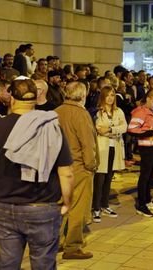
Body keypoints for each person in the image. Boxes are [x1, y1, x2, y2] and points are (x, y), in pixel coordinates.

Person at [0, 78, 74, 269]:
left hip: (3, 205)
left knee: (7, 263)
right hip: (42, 205)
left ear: (12, 99)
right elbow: (66, 172)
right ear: (35, 99)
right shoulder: (50, 126)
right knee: (43, 263)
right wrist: (67, 202)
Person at [55, 81, 98, 260]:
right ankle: (72, 246)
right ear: (82, 95)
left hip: (58, 168)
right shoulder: (81, 114)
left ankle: (54, 241)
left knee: (59, 206)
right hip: (78, 167)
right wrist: (91, 166)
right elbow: (87, 144)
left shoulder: (55, 112)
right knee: (78, 208)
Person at [92, 86, 127, 223]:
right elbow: (99, 130)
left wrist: (111, 129)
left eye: (112, 95)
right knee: (99, 179)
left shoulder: (119, 111)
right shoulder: (98, 112)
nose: (111, 98)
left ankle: (105, 205)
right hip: (102, 148)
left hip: (115, 147)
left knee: (109, 178)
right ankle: (96, 208)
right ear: (103, 97)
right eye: (108, 95)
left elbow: (124, 127)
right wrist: (112, 130)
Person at [128, 90, 153, 217]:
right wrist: (149, 133)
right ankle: (141, 205)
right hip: (146, 147)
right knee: (145, 176)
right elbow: (131, 130)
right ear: (147, 99)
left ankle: (147, 200)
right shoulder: (141, 112)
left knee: (149, 176)